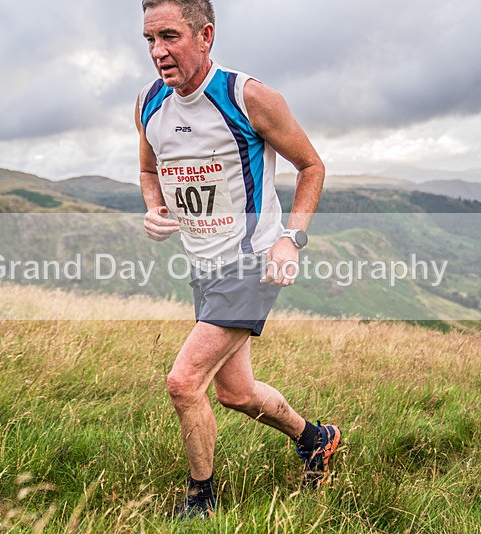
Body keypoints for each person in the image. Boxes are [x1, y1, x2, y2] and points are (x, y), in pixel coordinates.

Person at [136, 0, 340, 519]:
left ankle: (200, 501)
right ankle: (316, 438)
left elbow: (311, 166)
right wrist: (155, 209)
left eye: (170, 37)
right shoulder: (148, 103)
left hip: (252, 263)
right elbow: (149, 171)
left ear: (205, 35)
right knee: (235, 393)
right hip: (203, 268)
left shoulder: (247, 97)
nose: (158, 52)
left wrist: (291, 239)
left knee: (184, 383)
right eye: (149, 40)